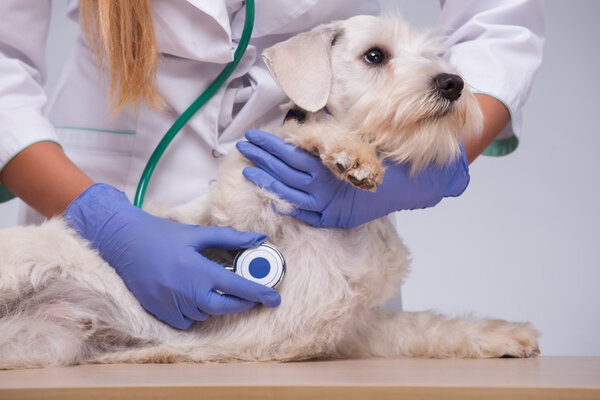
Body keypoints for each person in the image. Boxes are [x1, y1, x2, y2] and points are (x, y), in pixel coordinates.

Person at [0, 0, 544, 330]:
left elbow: (499, 25)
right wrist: (100, 218)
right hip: (109, 156)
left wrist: (417, 175)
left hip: (329, 182)